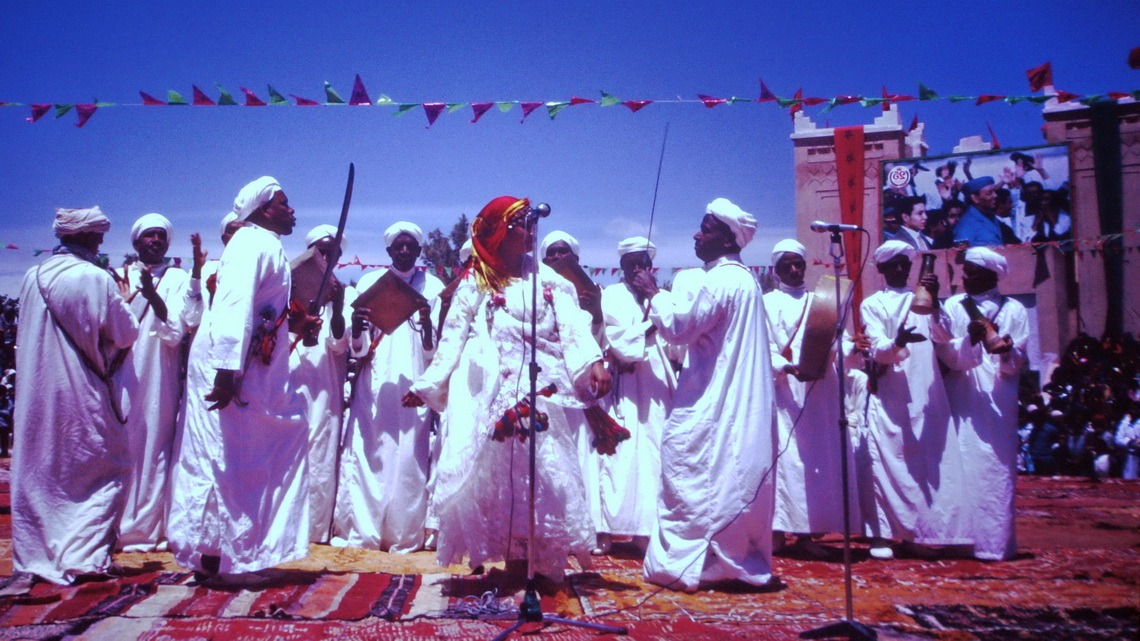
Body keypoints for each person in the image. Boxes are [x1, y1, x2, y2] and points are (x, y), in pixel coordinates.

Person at [403, 196, 611, 582]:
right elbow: (453, 335)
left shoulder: (550, 282)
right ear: (500, 232)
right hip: (492, 399)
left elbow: (573, 328)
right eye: (522, 225)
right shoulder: (477, 280)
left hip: (541, 395)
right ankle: (509, 566)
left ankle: (536, 567)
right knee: (499, 483)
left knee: (541, 478)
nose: (532, 231)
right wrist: (429, 383)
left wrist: (594, 362)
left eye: (532, 224)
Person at [168, 177, 319, 584]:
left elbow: (264, 310)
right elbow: (233, 308)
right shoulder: (250, 243)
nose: (292, 211)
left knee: (239, 457)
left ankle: (223, 555)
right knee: (232, 460)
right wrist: (226, 374)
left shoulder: (264, 245)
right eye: (284, 204)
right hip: (233, 368)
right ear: (262, 209)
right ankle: (230, 560)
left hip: (249, 366)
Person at [629, 198, 776, 592]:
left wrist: (652, 292)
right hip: (729, 397)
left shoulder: (723, 280)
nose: (697, 234)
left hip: (714, 400)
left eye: (706, 228)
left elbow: (678, 327)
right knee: (725, 477)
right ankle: (726, 562)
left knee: (698, 471)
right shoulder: (743, 280)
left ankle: (696, 563)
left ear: (728, 239)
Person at [12, 206, 139, 584]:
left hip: (37, 390)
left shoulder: (32, 276)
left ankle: (37, 556)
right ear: (86, 237)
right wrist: (125, 297)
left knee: (42, 473)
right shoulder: (95, 278)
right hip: (81, 392)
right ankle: (84, 559)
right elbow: (125, 334)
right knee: (106, 467)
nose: (101, 241)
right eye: (98, 235)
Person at [333, 222, 442, 553]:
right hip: (375, 383)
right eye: (399, 245)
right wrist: (356, 329)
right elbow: (359, 350)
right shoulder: (368, 283)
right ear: (389, 251)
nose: (405, 250)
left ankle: (403, 533)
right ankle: (365, 530)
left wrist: (425, 326)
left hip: (414, 383)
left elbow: (436, 352)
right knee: (371, 452)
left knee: (410, 455)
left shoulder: (433, 287)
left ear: (420, 251)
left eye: (411, 245)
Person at [859, 240, 970, 560]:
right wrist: (898, 342)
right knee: (885, 462)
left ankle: (917, 533)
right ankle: (880, 535)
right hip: (892, 391)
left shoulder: (923, 300)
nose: (898, 269)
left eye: (904, 264)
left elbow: (944, 335)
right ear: (880, 268)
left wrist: (935, 303)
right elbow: (876, 346)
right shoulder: (873, 304)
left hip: (927, 390)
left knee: (924, 465)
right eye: (892, 264)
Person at [764, 239, 860, 560]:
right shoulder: (765, 303)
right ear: (775, 269)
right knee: (783, 461)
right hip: (783, 393)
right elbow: (762, 345)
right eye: (786, 265)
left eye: (798, 264)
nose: (793, 270)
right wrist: (786, 367)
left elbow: (840, 341)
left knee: (816, 462)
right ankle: (776, 530)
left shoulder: (825, 300)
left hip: (821, 393)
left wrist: (845, 350)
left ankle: (808, 533)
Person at [115, 213, 205, 552]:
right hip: (120, 371)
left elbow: (179, 330)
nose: (156, 240)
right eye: (149, 236)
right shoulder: (119, 276)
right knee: (120, 442)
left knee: (153, 443)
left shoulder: (178, 277)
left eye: (161, 236)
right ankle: (112, 522)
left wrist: (154, 297)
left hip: (159, 372)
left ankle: (144, 530)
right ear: (136, 243)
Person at [937, 247, 1029, 561]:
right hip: (961, 398)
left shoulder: (1015, 309)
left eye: (973, 273)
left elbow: (1015, 363)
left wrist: (1004, 351)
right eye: (965, 273)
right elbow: (946, 354)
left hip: (998, 400)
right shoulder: (952, 305)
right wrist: (969, 343)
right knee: (959, 467)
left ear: (991, 274)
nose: (966, 278)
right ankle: (960, 542)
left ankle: (993, 544)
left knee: (995, 469)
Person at [598, 236, 677, 554]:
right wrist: (651, 326)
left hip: (657, 383)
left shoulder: (664, 296)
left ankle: (648, 531)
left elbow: (678, 340)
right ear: (621, 267)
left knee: (656, 456)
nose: (637, 270)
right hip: (625, 388)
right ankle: (609, 528)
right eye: (631, 265)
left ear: (651, 266)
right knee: (620, 457)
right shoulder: (612, 295)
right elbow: (618, 341)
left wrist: (654, 299)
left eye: (643, 264)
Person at [539, 229, 606, 553]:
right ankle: (548, 531)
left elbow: (597, 344)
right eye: (549, 254)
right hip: (542, 388)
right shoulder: (533, 291)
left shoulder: (591, 292)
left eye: (561, 253)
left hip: (576, 389)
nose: (555, 259)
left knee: (579, 459)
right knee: (547, 461)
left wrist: (595, 314)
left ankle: (583, 534)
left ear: (575, 260)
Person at [290, 225, 349, 543]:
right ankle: (286, 526)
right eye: (321, 252)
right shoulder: (289, 285)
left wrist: (337, 308)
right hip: (291, 379)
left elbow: (341, 345)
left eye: (332, 253)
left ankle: (313, 529)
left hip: (325, 387)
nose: (327, 258)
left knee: (320, 455)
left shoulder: (344, 292)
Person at [953, 177, 1017, 247]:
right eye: (989, 193)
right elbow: (961, 252)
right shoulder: (966, 224)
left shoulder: (991, 217)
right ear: (974, 198)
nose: (995, 195)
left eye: (994, 192)